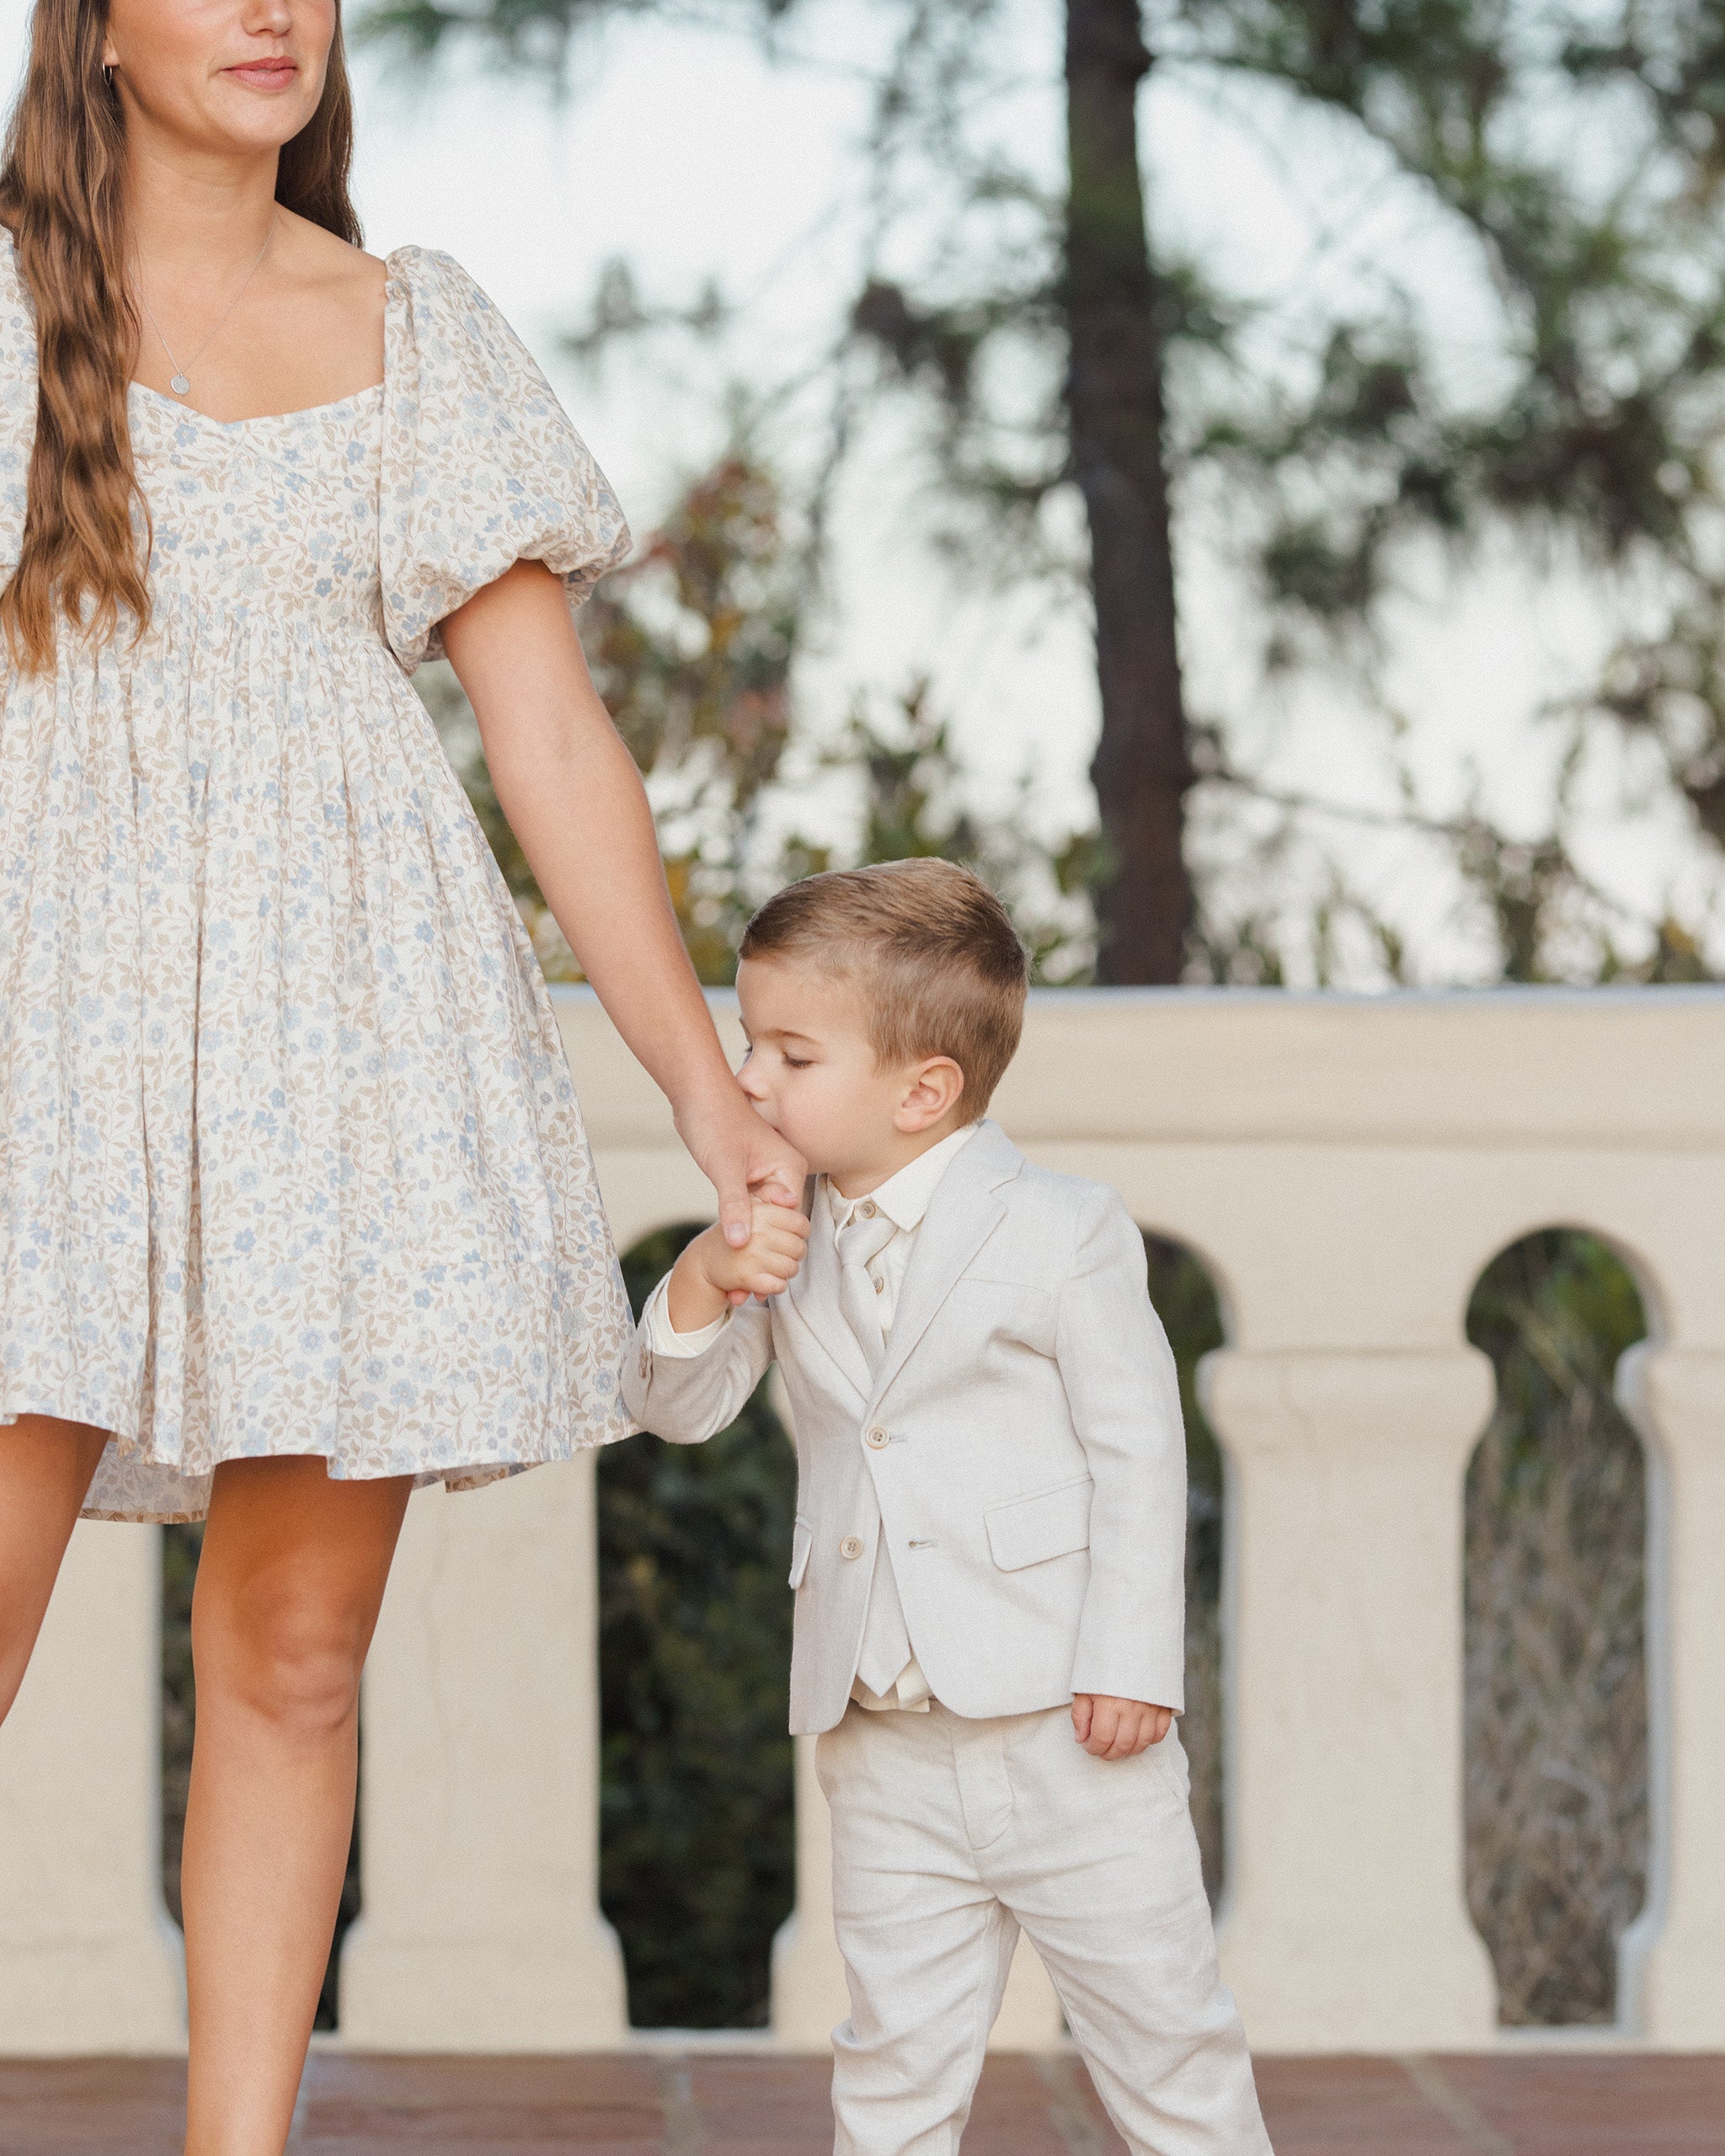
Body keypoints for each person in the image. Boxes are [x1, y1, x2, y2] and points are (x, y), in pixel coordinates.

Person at [0, 3, 801, 2148]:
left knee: (292, 1659)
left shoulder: (412, 328)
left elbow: (550, 744)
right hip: (37, 1029)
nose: (272, 4)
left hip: (334, 1036)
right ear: (87, 27)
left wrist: (710, 1091)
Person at [623, 857, 1274, 2156]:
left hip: (1069, 1732)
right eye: (751, 1045)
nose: (748, 1080)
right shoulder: (778, 1227)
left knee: (1163, 2041)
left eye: (789, 1055)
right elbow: (676, 1410)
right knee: (891, 2060)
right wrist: (705, 1273)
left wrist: (1132, 1661)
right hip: (883, 1735)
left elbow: (1140, 1454)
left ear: (925, 1090)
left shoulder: (1063, 1228)